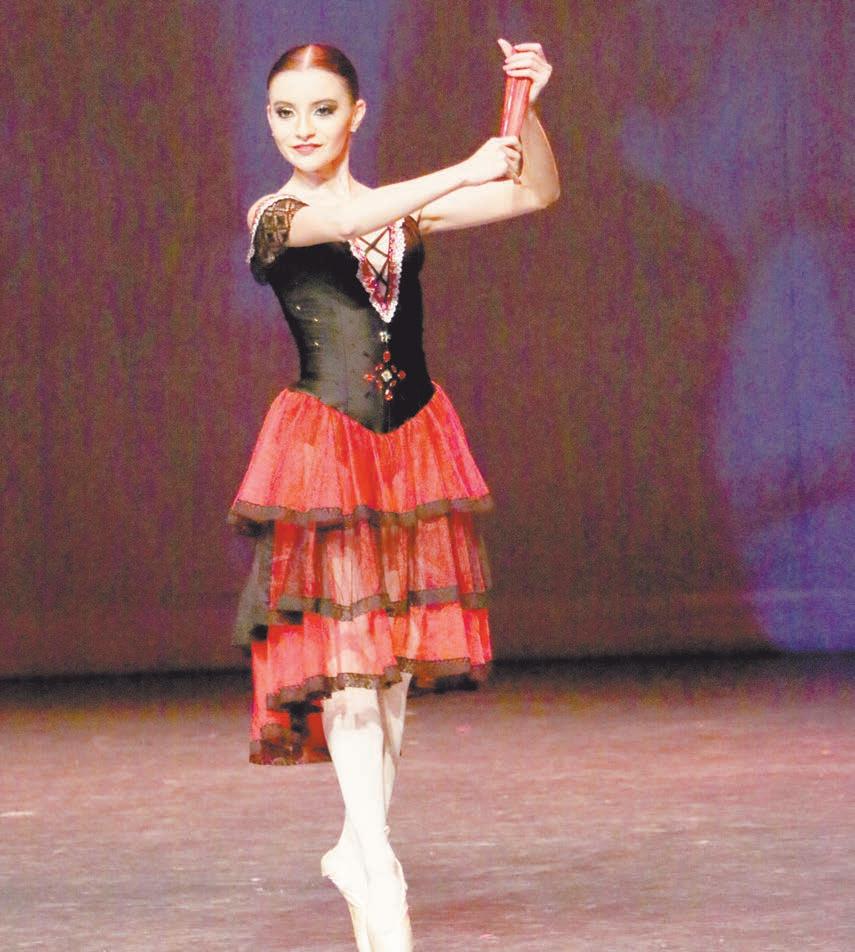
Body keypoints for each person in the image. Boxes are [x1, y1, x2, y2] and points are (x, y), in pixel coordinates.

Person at [228, 38, 558, 952]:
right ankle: (374, 860)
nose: (301, 128)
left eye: (321, 110)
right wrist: (462, 166)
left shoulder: (400, 214)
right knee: (349, 663)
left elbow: (533, 191)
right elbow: (355, 214)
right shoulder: (275, 215)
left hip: (410, 444)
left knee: (394, 666)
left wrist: (525, 106)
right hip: (327, 450)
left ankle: (358, 844)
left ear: (356, 113)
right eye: (284, 112)